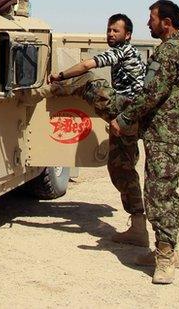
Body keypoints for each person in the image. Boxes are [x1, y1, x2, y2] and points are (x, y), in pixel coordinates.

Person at [46, 13, 149, 247]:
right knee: (120, 167)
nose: (111, 34)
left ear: (128, 35)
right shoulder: (128, 53)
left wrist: (59, 76)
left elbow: (86, 65)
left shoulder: (124, 50)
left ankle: (47, 90)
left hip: (128, 110)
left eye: (116, 31)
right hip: (130, 117)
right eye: (109, 30)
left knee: (89, 79)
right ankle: (138, 226)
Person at [108, 0, 179, 285]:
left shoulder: (169, 51)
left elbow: (151, 93)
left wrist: (124, 119)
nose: (148, 23)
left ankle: (166, 258)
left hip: (166, 136)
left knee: (159, 194)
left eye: (152, 19)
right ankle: (166, 250)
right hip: (165, 133)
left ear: (166, 23)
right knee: (164, 191)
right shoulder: (174, 48)